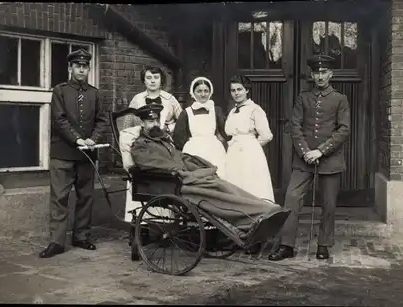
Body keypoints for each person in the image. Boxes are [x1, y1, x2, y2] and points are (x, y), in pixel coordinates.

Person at [127, 103, 291, 242]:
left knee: (223, 185)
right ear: (142, 123)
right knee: (221, 196)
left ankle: (263, 212)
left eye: (156, 120)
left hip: (185, 179)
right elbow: (161, 165)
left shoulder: (164, 141)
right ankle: (257, 216)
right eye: (150, 121)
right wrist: (186, 172)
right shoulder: (141, 146)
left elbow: (181, 158)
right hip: (174, 184)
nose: (155, 124)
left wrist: (202, 167)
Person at [268, 54, 350, 261]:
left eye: (324, 72)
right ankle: (286, 245)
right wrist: (306, 152)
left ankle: (323, 245)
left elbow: (344, 129)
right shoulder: (303, 98)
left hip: (330, 160)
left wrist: (321, 151)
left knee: (329, 204)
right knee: (292, 199)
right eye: (316, 72)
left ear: (330, 74)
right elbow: (294, 126)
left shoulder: (340, 99)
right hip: (303, 160)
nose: (320, 76)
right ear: (312, 75)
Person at [39, 49, 108, 258]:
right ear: (70, 68)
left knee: (86, 196)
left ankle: (81, 237)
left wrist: (93, 140)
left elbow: (102, 120)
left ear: (88, 68)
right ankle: (56, 242)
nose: (81, 69)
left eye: (85, 66)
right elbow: (59, 120)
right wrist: (77, 139)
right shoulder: (60, 91)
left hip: (86, 154)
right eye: (77, 66)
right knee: (59, 197)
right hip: (63, 153)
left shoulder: (95, 94)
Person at [122, 66, 182, 222]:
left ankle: (165, 221)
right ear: (144, 80)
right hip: (145, 145)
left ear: (161, 79)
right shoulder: (137, 99)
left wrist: (168, 128)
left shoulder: (170, 99)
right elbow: (128, 125)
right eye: (149, 77)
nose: (153, 81)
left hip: (164, 144)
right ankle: (141, 223)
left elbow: (182, 122)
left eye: (156, 77)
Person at [225, 75, 275, 202]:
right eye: (233, 90)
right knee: (235, 185)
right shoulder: (232, 111)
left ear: (247, 90)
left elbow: (267, 135)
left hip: (250, 154)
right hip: (234, 153)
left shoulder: (255, 110)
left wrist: (251, 146)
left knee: (251, 186)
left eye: (239, 89)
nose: (236, 93)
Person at [173, 76, 228, 179]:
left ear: (210, 92)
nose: (203, 94)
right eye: (199, 91)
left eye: (206, 91)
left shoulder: (216, 110)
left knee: (218, 176)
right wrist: (191, 144)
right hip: (194, 150)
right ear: (193, 93)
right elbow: (178, 136)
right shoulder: (186, 112)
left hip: (214, 149)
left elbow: (225, 131)